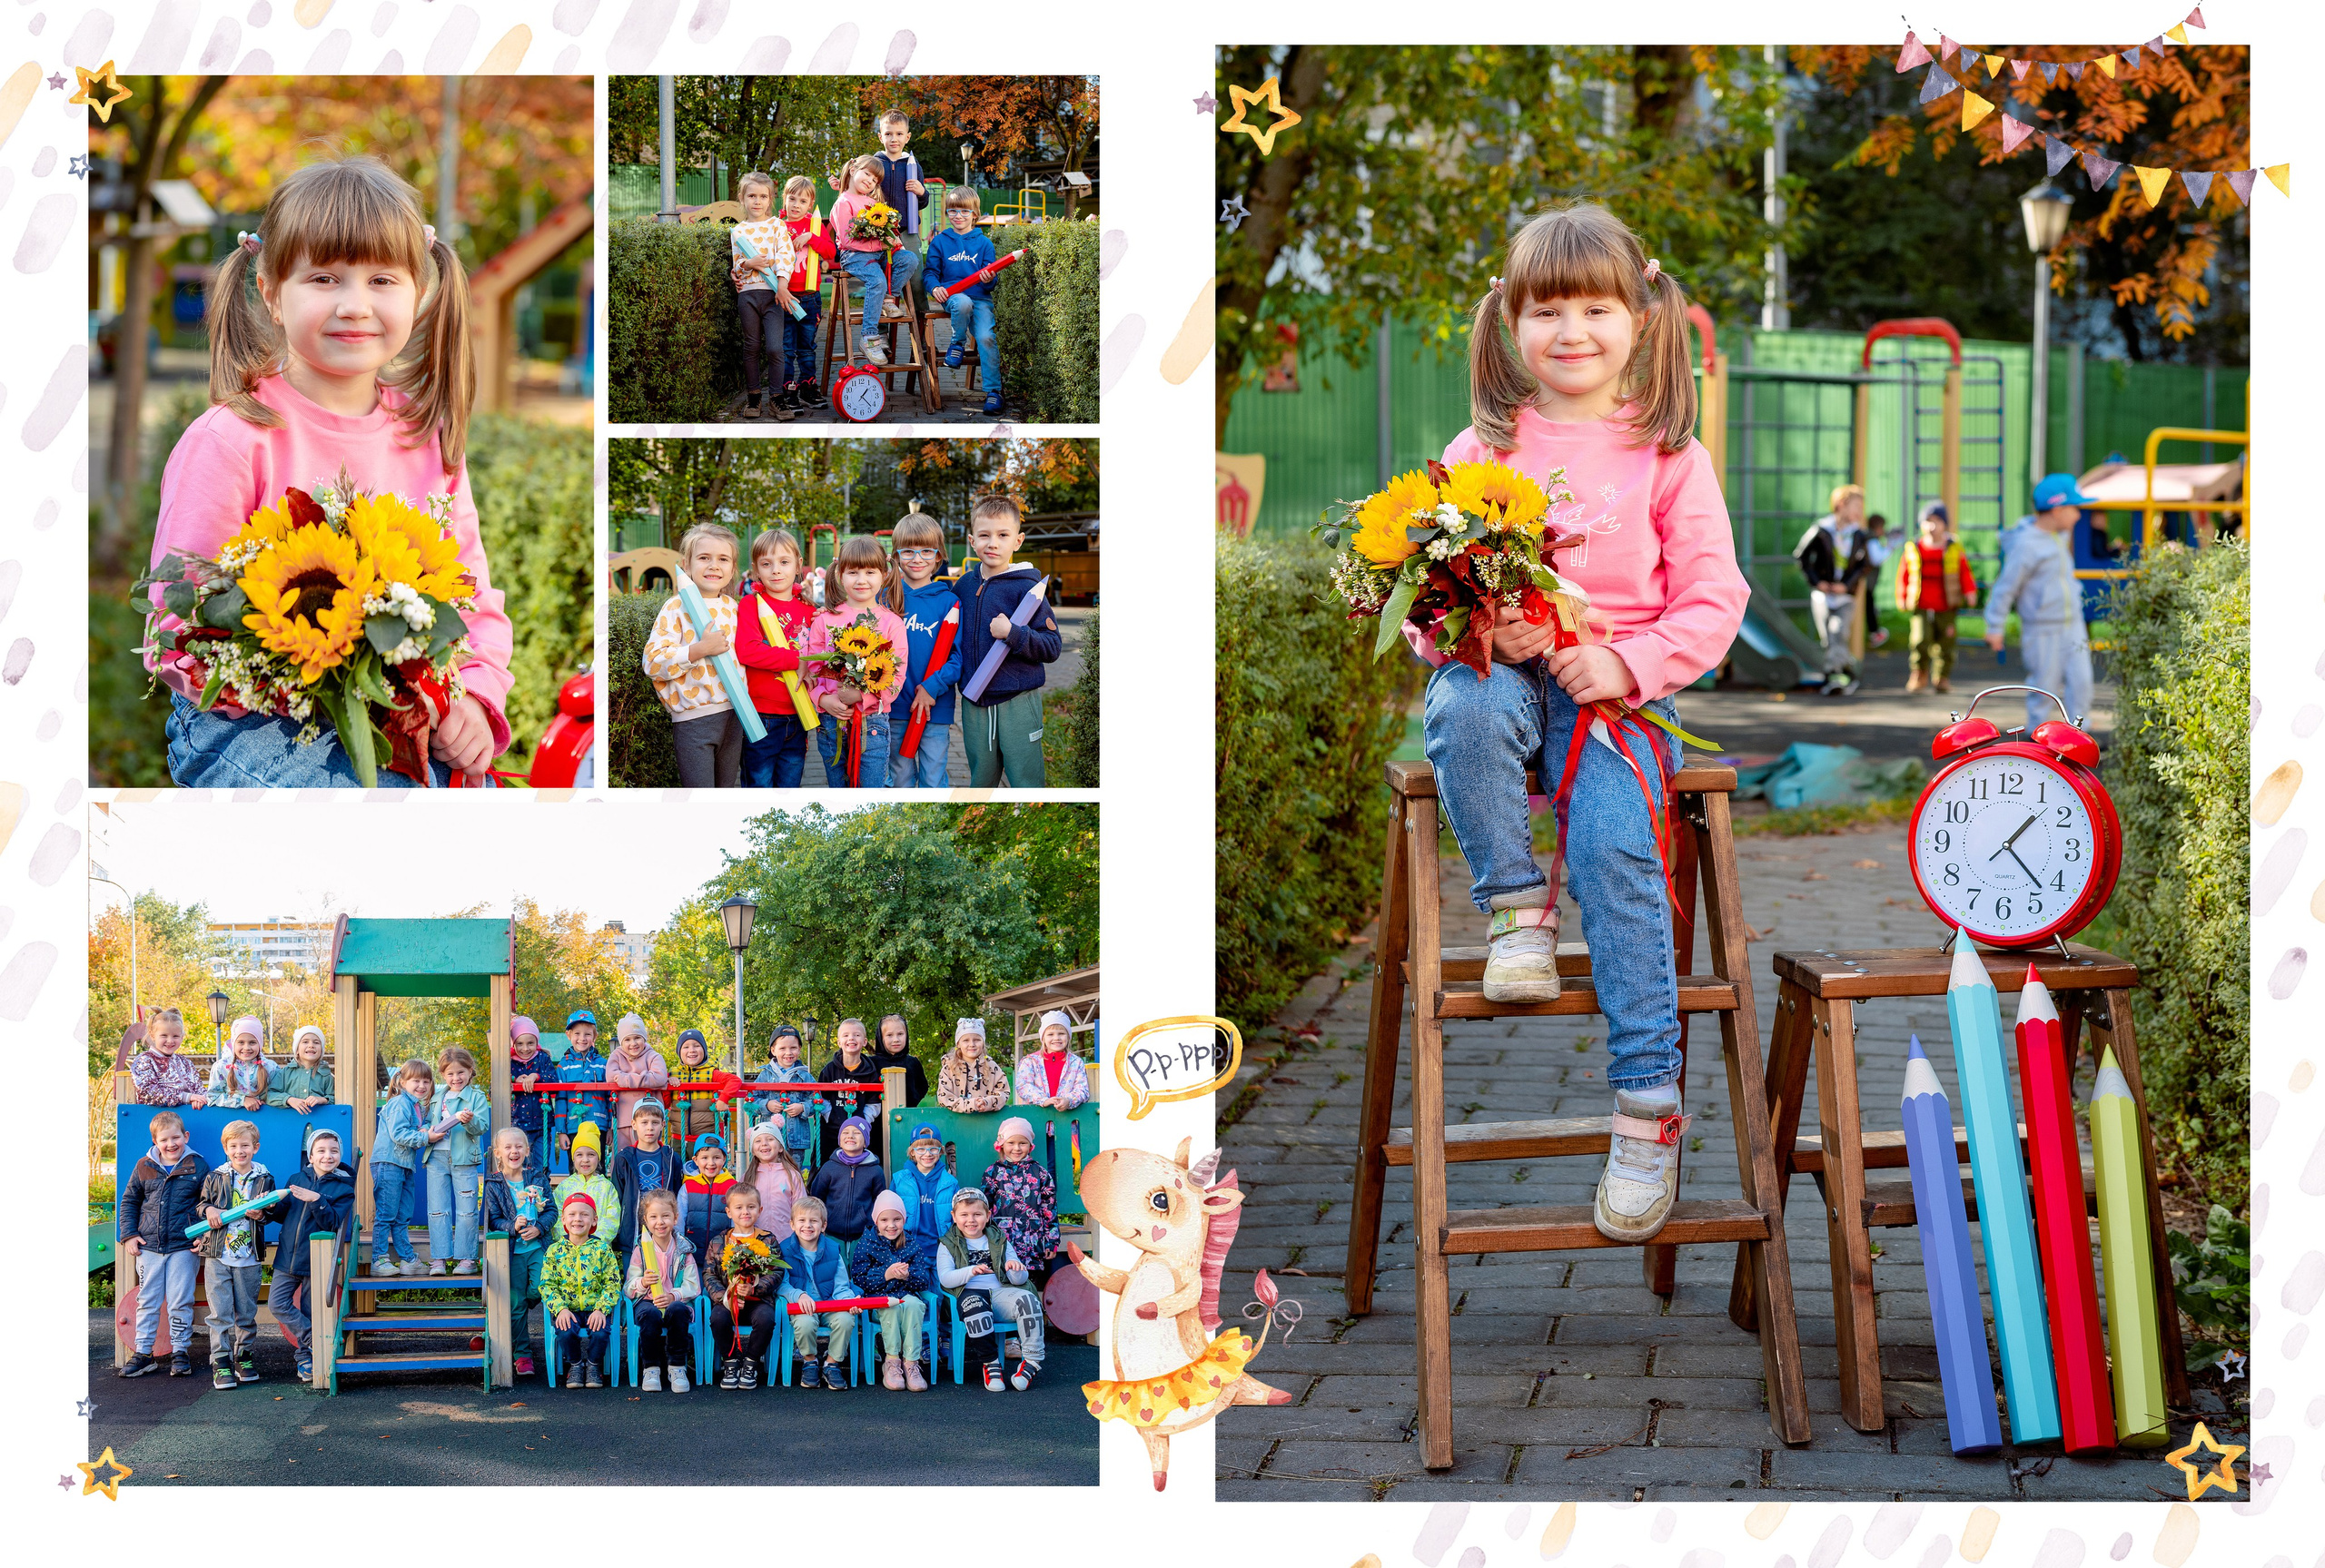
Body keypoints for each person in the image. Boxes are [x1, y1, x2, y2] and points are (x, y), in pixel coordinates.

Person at [1419, 202, 1744, 1244]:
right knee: (1460, 701)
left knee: (1612, 847)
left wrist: (1625, 660)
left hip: (1620, 692)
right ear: (1509, 321)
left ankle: (1648, 1105)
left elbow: (1711, 599)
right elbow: (1427, 597)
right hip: (1509, 679)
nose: (1571, 331)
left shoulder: (1669, 456)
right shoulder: (1482, 446)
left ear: (1640, 318)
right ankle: (1515, 914)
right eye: (1546, 308)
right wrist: (1480, 624)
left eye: (1596, 307)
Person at [143, 154, 512, 786]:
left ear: (418, 294)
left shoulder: (427, 438)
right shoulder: (232, 440)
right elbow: (178, 621)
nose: (354, 304)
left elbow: (471, 599)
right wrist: (297, 672)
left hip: (395, 721)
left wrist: (475, 698)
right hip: (247, 724)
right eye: (323, 278)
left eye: (382, 280)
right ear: (271, 292)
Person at [952, 493, 1063, 786]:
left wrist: (1014, 633)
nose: (993, 543)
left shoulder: (1028, 589)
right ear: (972, 540)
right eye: (984, 535)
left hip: (1017, 702)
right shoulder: (963, 587)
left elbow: (1052, 646)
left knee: (1026, 782)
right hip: (974, 705)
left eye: (1003, 535)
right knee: (980, 783)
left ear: (1018, 540)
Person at [1988, 473, 2099, 734]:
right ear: (2058, 510)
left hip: (2073, 624)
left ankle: (2078, 736)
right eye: (2075, 509)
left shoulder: (2057, 536)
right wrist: (1995, 626)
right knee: (2044, 686)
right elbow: (2006, 587)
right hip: (2042, 629)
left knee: (2082, 682)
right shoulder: (2027, 545)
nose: (2079, 516)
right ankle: (2036, 737)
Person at [643, 522, 747, 788]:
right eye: (704, 558)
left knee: (724, 791)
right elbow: (653, 663)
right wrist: (699, 649)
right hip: (694, 720)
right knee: (699, 794)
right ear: (686, 565)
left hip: (735, 717)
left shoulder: (733, 607)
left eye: (723, 559)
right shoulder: (676, 607)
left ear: (733, 568)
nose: (714, 566)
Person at [805, 534, 909, 788]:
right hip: (831, 723)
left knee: (871, 793)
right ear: (840, 574)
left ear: (884, 574)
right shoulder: (824, 620)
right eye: (853, 572)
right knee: (838, 790)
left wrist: (864, 698)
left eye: (870, 572)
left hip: (873, 725)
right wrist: (822, 699)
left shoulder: (892, 623)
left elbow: (897, 677)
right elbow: (812, 670)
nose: (861, 580)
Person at [116, 1110, 212, 1377]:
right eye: (164, 1140)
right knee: (147, 1300)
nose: (171, 1144)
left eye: (176, 1138)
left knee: (180, 1301)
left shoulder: (197, 1166)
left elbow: (209, 1204)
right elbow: (129, 1202)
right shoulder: (143, 1166)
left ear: (186, 1137)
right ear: (155, 1142)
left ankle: (180, 1351)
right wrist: (129, 1234)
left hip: (183, 1247)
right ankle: (144, 1353)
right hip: (149, 1247)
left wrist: (203, 1235)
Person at [267, 1126, 356, 1384]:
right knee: (277, 1303)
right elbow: (283, 1213)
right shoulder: (296, 1178)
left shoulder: (343, 1189)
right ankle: (314, 1340)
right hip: (287, 1258)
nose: (328, 1156)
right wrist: (269, 1208)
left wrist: (317, 1199)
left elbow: (332, 1223)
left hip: (315, 1260)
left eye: (334, 1151)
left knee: (309, 1309)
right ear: (311, 1156)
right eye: (321, 1150)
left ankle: (306, 1361)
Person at [191, 1119, 274, 1388]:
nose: (240, 1151)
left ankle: (244, 1357)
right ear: (226, 1148)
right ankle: (221, 1361)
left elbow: (271, 1211)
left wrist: (262, 1214)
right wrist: (209, 1211)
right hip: (218, 1255)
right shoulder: (215, 1177)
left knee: (247, 1311)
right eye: (234, 1146)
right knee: (220, 1313)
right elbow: (202, 1204)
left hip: (249, 1256)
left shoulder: (264, 1178)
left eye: (245, 1145)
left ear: (256, 1148)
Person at [936, 1188, 1044, 1392]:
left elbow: (1019, 1278)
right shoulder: (947, 1243)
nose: (971, 1220)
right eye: (964, 1215)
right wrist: (970, 1271)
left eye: (977, 1214)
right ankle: (991, 1363)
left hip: (1000, 1293)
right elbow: (946, 1278)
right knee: (976, 1307)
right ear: (954, 1217)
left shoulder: (999, 1239)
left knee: (1028, 1299)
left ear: (987, 1215)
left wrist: (1016, 1270)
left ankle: (1032, 1361)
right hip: (967, 1294)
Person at [734, 527, 818, 788]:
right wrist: (798, 660)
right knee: (758, 787)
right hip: (761, 716)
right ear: (756, 569)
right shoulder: (751, 605)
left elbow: (820, 657)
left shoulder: (810, 610)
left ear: (798, 566)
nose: (776, 570)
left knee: (790, 787)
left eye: (784, 562)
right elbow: (748, 650)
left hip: (799, 715)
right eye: (767, 564)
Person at [885, 512, 964, 789]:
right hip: (894, 707)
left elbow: (958, 658)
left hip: (935, 707)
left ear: (938, 556)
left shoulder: (949, 602)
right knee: (900, 778)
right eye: (908, 551)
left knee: (933, 779)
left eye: (926, 551)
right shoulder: (886, 598)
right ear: (895, 556)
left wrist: (933, 687)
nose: (917, 558)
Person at [830, 153, 922, 365]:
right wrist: (882, 243)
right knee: (877, 280)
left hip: (878, 253)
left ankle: (888, 299)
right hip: (854, 255)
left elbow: (882, 230)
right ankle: (869, 337)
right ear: (853, 170)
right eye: (867, 175)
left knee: (909, 259)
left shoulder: (873, 202)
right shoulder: (843, 202)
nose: (870, 181)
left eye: (875, 181)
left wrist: (893, 238)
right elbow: (846, 239)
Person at [726, 169, 797, 423]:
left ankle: (777, 398)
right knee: (751, 347)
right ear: (742, 198)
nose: (757, 201)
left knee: (776, 348)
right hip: (748, 296)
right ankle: (754, 396)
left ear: (771, 199)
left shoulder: (777, 226)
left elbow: (786, 256)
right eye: (752, 196)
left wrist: (782, 285)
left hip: (773, 296)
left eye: (763, 197)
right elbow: (736, 267)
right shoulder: (738, 232)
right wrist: (749, 264)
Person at [925, 186, 1004, 415]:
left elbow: (991, 281)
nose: (958, 216)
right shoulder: (940, 242)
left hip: (980, 298)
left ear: (975, 214)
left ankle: (993, 392)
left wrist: (989, 279)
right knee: (962, 302)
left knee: (986, 337)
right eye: (952, 211)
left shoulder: (984, 244)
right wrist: (935, 287)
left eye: (964, 211)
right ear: (947, 213)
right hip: (952, 295)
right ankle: (957, 343)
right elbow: (930, 272)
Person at [1793, 482, 1874, 698]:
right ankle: (1849, 670)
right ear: (1841, 505)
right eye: (1856, 506)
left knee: (1838, 631)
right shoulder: (1821, 530)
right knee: (1829, 639)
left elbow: (1863, 565)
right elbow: (1801, 556)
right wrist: (1817, 581)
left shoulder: (1859, 535)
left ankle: (1833, 677)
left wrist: (1846, 585)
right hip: (1823, 595)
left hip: (1845, 597)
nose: (1860, 512)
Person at [483, 1127, 551, 1378]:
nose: (514, 1151)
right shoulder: (494, 1184)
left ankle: (527, 1300)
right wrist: (512, 1227)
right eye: (508, 1147)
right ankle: (522, 1354)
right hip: (512, 1253)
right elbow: (494, 1220)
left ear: (527, 1150)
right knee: (516, 1305)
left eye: (519, 1146)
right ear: (498, 1153)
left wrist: (539, 1229)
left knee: (540, 1288)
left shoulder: (537, 1178)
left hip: (536, 1248)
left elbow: (552, 1211)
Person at [850, 1190, 935, 1390]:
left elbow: (924, 1279)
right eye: (885, 1220)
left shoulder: (911, 1243)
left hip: (907, 1298)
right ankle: (892, 1361)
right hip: (879, 1301)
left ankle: (912, 1363)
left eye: (897, 1219)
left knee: (914, 1305)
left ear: (904, 1219)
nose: (891, 1225)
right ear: (876, 1221)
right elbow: (859, 1279)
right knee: (891, 1308)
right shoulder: (866, 1243)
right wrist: (885, 1274)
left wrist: (908, 1276)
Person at [705, 1184, 787, 1389]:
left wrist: (754, 1289)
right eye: (739, 1207)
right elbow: (708, 1273)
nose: (745, 1212)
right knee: (718, 1318)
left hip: (758, 1301)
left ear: (760, 1210)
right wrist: (725, 1296)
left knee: (766, 1319)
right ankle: (731, 1361)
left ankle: (751, 1362)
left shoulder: (767, 1240)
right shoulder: (719, 1241)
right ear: (728, 1211)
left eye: (751, 1207)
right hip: (727, 1301)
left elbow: (777, 1272)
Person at [1897, 501, 1980, 695]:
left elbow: (1963, 571)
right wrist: (1902, 596)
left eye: (1937, 521)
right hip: (1922, 602)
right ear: (1921, 524)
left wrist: (1970, 591)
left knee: (1946, 641)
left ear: (1945, 525)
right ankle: (1919, 673)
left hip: (1946, 603)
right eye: (1927, 521)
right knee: (1919, 639)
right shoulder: (1914, 548)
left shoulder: (1953, 548)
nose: (1932, 527)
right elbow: (1904, 574)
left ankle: (1942, 677)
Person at [540, 1191, 620, 1388]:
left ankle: (593, 1365)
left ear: (594, 1220)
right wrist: (560, 1309)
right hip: (568, 1309)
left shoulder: (602, 1249)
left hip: (595, 1308)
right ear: (564, 1220)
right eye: (572, 1214)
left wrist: (601, 1309)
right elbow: (546, 1285)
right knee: (566, 1332)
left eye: (584, 1214)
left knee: (601, 1332)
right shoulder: (554, 1251)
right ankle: (575, 1364)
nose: (578, 1219)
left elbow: (613, 1283)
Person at [626, 1190, 702, 1393]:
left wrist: (673, 1296)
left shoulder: (684, 1250)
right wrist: (642, 1282)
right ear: (645, 1220)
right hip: (648, 1301)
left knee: (678, 1309)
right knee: (649, 1313)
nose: (660, 1222)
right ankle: (651, 1367)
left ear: (675, 1218)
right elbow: (629, 1287)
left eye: (666, 1216)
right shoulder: (640, 1249)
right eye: (654, 1217)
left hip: (676, 1301)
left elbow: (693, 1286)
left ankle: (677, 1366)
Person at [773, 175, 837, 413]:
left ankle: (807, 387)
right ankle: (788, 390)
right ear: (784, 199)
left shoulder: (813, 225)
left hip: (810, 296)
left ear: (810, 204)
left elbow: (831, 252)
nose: (796, 205)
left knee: (807, 347)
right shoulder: (777, 225)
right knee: (786, 347)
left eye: (802, 201)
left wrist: (812, 238)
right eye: (792, 199)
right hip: (785, 296)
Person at [425, 1045, 490, 1276]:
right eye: (450, 1074)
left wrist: (468, 1121)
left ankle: (466, 1258)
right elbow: (426, 1124)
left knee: (466, 1210)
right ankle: (439, 1259)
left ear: (470, 1071)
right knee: (437, 1209)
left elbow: (482, 1127)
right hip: (436, 1157)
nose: (456, 1078)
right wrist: (428, 1131)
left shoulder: (477, 1097)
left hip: (464, 1160)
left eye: (461, 1072)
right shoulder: (436, 1097)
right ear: (443, 1075)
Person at [779, 1195, 856, 1389]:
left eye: (814, 1221)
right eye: (802, 1221)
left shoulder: (832, 1250)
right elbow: (781, 1285)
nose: (808, 1225)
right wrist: (799, 1295)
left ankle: (832, 1363)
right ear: (792, 1224)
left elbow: (841, 1286)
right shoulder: (784, 1250)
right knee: (804, 1324)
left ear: (823, 1225)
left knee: (846, 1319)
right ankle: (810, 1360)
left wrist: (848, 1302)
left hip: (829, 1304)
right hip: (802, 1306)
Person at [981, 1115, 1061, 1288]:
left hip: (1032, 1242)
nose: (1016, 1148)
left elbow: (1050, 1209)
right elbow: (984, 1207)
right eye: (1011, 1143)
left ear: (1030, 1146)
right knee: (1003, 1282)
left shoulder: (1040, 1173)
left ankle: (1033, 1311)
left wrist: (1052, 1241)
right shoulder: (993, 1173)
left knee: (1030, 1286)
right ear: (1002, 1145)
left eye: (1022, 1143)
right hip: (1003, 1240)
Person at [371, 1058, 431, 1276]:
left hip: (404, 1165)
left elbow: (422, 1125)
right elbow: (398, 1134)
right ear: (402, 1082)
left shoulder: (417, 1106)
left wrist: (426, 1128)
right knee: (386, 1213)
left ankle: (407, 1259)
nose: (422, 1086)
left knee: (403, 1214)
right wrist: (425, 1137)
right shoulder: (399, 1103)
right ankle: (378, 1260)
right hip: (388, 1163)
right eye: (416, 1080)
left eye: (426, 1081)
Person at [608, 1099, 680, 1259]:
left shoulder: (671, 1158)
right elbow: (616, 1196)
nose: (650, 1127)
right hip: (632, 1229)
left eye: (655, 1122)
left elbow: (676, 1193)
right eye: (644, 1122)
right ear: (634, 1124)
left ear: (663, 1125)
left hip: (662, 1230)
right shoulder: (624, 1158)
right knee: (633, 1279)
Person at [808, 1114, 886, 1245]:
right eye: (845, 1132)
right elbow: (817, 1198)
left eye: (857, 1133)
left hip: (863, 1234)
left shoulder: (875, 1171)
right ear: (840, 1139)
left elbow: (879, 1201)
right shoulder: (829, 1167)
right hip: (831, 1233)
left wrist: (873, 1225)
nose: (850, 1136)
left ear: (866, 1141)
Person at [753, 1024, 821, 1164]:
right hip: (770, 1138)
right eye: (782, 1048)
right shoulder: (766, 1075)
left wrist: (802, 1107)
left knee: (793, 1173)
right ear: (773, 1050)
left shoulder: (805, 1075)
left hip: (796, 1139)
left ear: (799, 1049)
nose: (788, 1053)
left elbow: (817, 1100)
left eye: (793, 1048)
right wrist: (767, 1105)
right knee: (769, 1170)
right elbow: (753, 1100)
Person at [887, 1122, 960, 1254]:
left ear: (940, 1151)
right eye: (921, 1149)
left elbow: (959, 1216)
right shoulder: (900, 1180)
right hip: (908, 1248)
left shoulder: (950, 1183)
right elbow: (890, 1213)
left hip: (941, 1249)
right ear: (912, 1152)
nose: (927, 1154)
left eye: (933, 1149)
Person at [815, 1017, 886, 1143]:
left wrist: (864, 1119)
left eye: (856, 1035)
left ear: (864, 1042)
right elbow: (822, 1097)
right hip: (832, 1129)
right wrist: (830, 1116)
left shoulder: (871, 1071)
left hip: (858, 1132)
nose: (851, 1038)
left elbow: (874, 1102)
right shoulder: (829, 1070)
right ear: (839, 1042)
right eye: (846, 1035)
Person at [605, 1012, 669, 1149]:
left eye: (637, 1038)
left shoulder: (653, 1056)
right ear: (621, 1041)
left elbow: (659, 1077)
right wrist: (645, 1076)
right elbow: (611, 1077)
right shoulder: (616, 1055)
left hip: (649, 1120)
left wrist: (626, 1079)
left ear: (644, 1038)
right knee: (621, 1156)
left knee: (648, 1154)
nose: (633, 1043)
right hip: (623, 1118)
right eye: (627, 1040)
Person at [740, 1120, 810, 1242]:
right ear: (753, 1150)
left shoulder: (792, 1175)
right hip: (755, 1242)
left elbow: (801, 1210)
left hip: (787, 1240)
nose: (764, 1144)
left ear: (781, 1147)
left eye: (770, 1139)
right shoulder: (747, 1177)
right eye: (758, 1141)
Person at [554, 1119, 621, 1244]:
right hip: (568, 1250)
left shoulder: (606, 1187)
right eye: (579, 1155)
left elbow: (612, 1217)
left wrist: (594, 1242)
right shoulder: (564, 1187)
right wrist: (567, 1240)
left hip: (597, 1250)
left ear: (598, 1157)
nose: (585, 1160)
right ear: (573, 1158)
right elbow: (557, 1215)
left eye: (591, 1154)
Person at [553, 1008, 609, 1155]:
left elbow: (609, 1098)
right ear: (569, 1035)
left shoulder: (603, 1064)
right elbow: (560, 1099)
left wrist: (610, 1127)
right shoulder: (564, 1066)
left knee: (598, 1164)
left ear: (595, 1037)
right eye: (577, 1034)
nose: (582, 1038)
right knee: (575, 1165)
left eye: (587, 1034)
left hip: (598, 1125)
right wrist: (561, 1131)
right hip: (573, 1126)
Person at [677, 1131, 737, 1264]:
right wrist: (680, 1247)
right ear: (695, 1160)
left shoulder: (732, 1187)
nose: (711, 1163)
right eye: (705, 1158)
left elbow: (736, 1221)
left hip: (723, 1255)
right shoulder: (688, 1187)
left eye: (716, 1157)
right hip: (692, 1254)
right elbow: (679, 1219)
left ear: (724, 1159)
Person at [1013, 1010, 1091, 1109]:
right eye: (1050, 1034)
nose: (1056, 1038)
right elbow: (1023, 1086)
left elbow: (1082, 1089)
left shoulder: (1076, 1062)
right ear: (1043, 1038)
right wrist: (1043, 1100)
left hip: (1067, 1119)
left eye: (1061, 1033)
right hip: (1037, 1117)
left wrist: (1069, 1100)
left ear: (1068, 1036)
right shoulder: (1030, 1062)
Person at [127, 1011, 204, 1108]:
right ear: (152, 1035)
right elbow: (148, 1092)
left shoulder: (185, 1062)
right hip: (160, 1118)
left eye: (175, 1036)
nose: (170, 1041)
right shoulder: (144, 1060)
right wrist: (186, 1097)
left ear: (182, 1036)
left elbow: (199, 1088)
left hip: (190, 1114)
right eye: (164, 1035)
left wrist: (201, 1099)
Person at [937, 1017, 1010, 1113]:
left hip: (987, 1122)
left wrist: (987, 1103)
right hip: (955, 1122)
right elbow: (944, 1098)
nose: (972, 1044)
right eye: (966, 1040)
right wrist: (971, 1105)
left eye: (977, 1040)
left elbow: (1003, 1093)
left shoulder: (992, 1067)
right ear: (958, 1044)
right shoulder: (949, 1068)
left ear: (983, 1042)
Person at [506, 1015, 556, 1153]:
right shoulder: (508, 1062)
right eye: (520, 1044)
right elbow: (494, 1089)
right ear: (513, 1044)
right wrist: (513, 1080)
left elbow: (553, 1079)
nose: (525, 1048)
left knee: (541, 1162)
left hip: (542, 1123)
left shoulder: (543, 1059)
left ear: (537, 1042)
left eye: (530, 1043)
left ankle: (541, 1175)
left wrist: (536, 1076)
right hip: (517, 1123)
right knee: (519, 1161)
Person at [668, 1029, 720, 1148]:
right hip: (678, 1136)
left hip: (705, 1137)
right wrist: (667, 1082)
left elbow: (734, 1081)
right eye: (686, 1047)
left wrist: (723, 1100)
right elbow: (664, 1099)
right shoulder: (673, 1074)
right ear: (679, 1052)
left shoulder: (712, 1072)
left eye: (697, 1046)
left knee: (704, 1165)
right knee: (677, 1165)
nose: (691, 1050)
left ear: (704, 1051)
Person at [205, 1017, 271, 1109]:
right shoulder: (221, 1067)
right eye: (241, 1042)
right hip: (232, 1120)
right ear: (233, 1043)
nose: (246, 1047)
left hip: (263, 1119)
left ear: (260, 1043)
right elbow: (212, 1096)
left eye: (252, 1042)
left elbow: (276, 1093)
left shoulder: (270, 1067)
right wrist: (242, 1100)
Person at [266, 1023, 332, 1112]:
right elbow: (269, 1095)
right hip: (290, 1122)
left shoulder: (326, 1075)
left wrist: (322, 1100)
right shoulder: (286, 1073)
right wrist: (289, 1099)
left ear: (321, 1050)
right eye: (305, 1042)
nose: (311, 1045)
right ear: (297, 1050)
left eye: (316, 1042)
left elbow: (336, 1098)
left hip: (318, 1123)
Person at [874, 1012, 930, 1104]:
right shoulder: (872, 1063)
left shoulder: (913, 1062)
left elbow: (922, 1086)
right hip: (878, 1116)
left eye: (900, 1034)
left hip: (908, 1115)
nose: (896, 1039)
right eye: (889, 1035)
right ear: (881, 1037)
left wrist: (913, 1099)